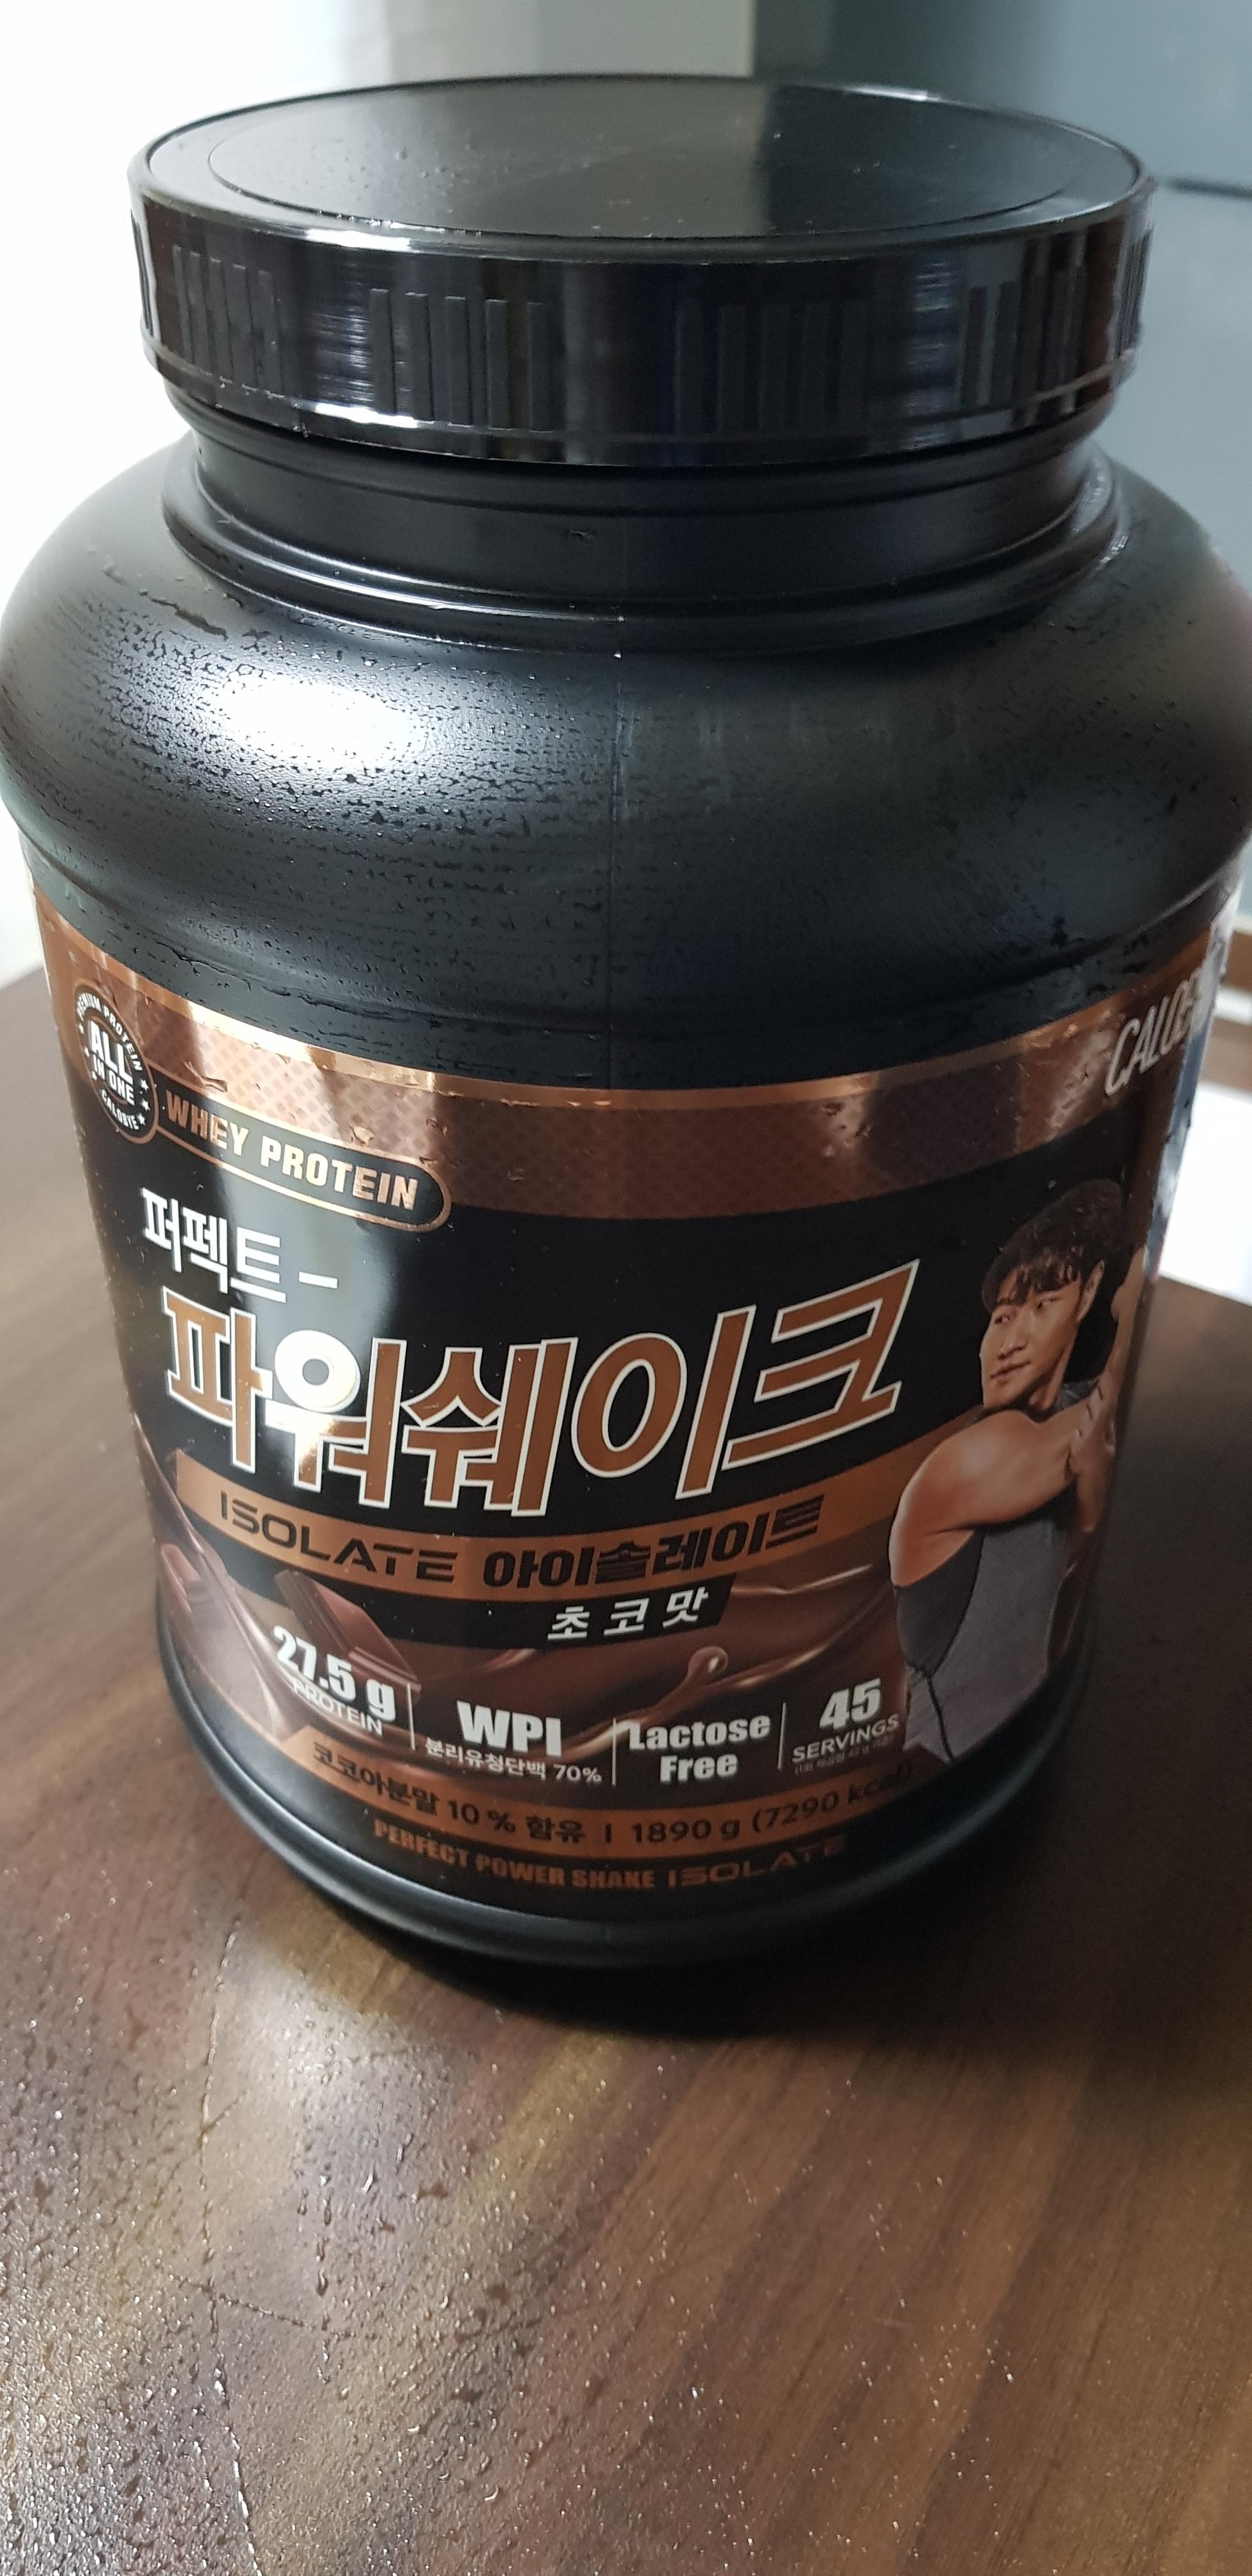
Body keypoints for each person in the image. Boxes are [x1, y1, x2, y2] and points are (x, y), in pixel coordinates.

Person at [889, 1180, 1143, 1765]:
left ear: (1086, 1297)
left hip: (1022, 1730)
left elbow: (1081, 1527)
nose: (1010, 1341)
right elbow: (1092, 1428)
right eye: (1003, 1317)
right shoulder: (966, 1460)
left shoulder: (1069, 1413)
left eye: (1042, 1306)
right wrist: (1132, 1307)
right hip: (942, 1766)